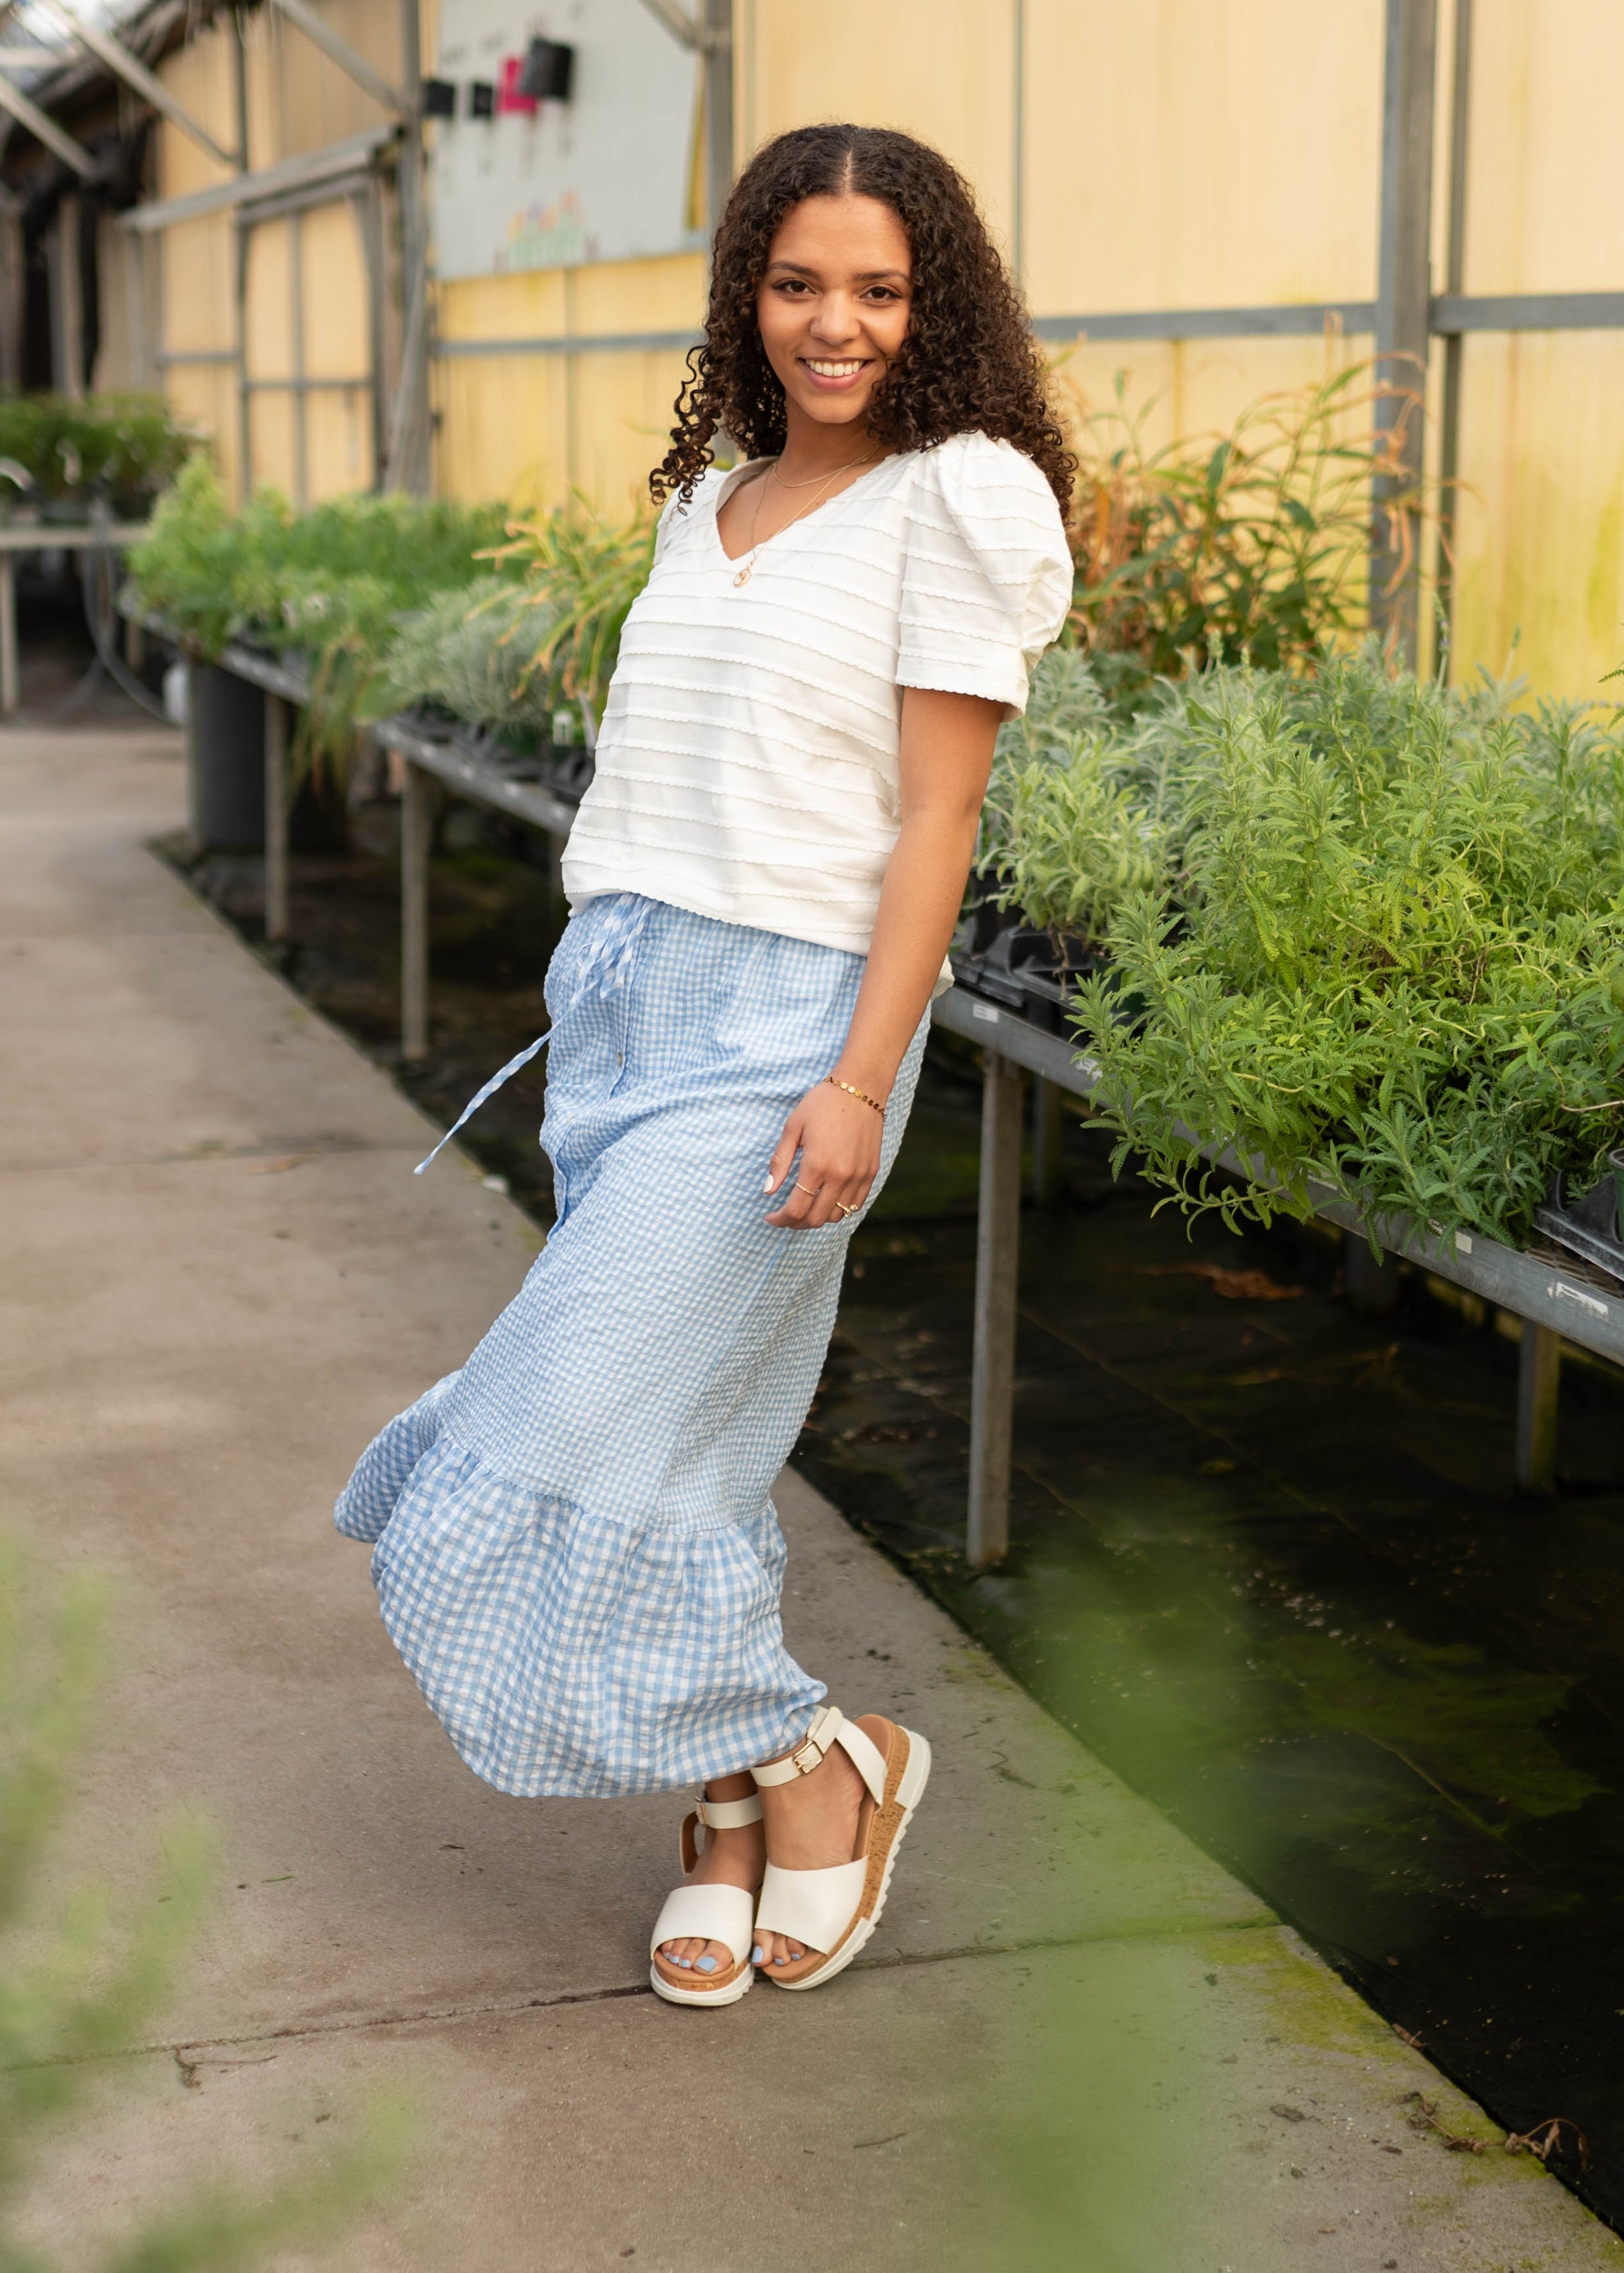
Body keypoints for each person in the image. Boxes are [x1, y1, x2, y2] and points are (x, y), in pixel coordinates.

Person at [334, 122, 1074, 2007]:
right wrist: (602, 984)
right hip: (629, 1009)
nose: (838, 324)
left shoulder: (957, 496)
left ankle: (823, 1756)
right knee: (693, 1452)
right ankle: (728, 1824)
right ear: (751, 290)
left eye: (883, 289)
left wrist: (856, 1073)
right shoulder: (713, 503)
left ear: (940, 308)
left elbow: (937, 823)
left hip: (791, 1034)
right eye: (801, 282)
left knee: (549, 1431)